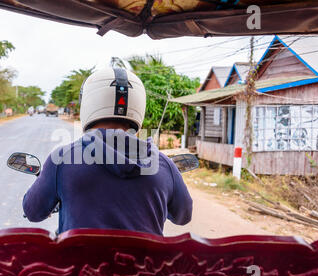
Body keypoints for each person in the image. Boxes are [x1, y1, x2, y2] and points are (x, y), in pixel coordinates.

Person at [22, 68, 192, 236]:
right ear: (138, 105)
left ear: (88, 102)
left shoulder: (62, 160)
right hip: (142, 263)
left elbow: (33, 212)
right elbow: (183, 216)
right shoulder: (164, 165)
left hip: (82, 263)